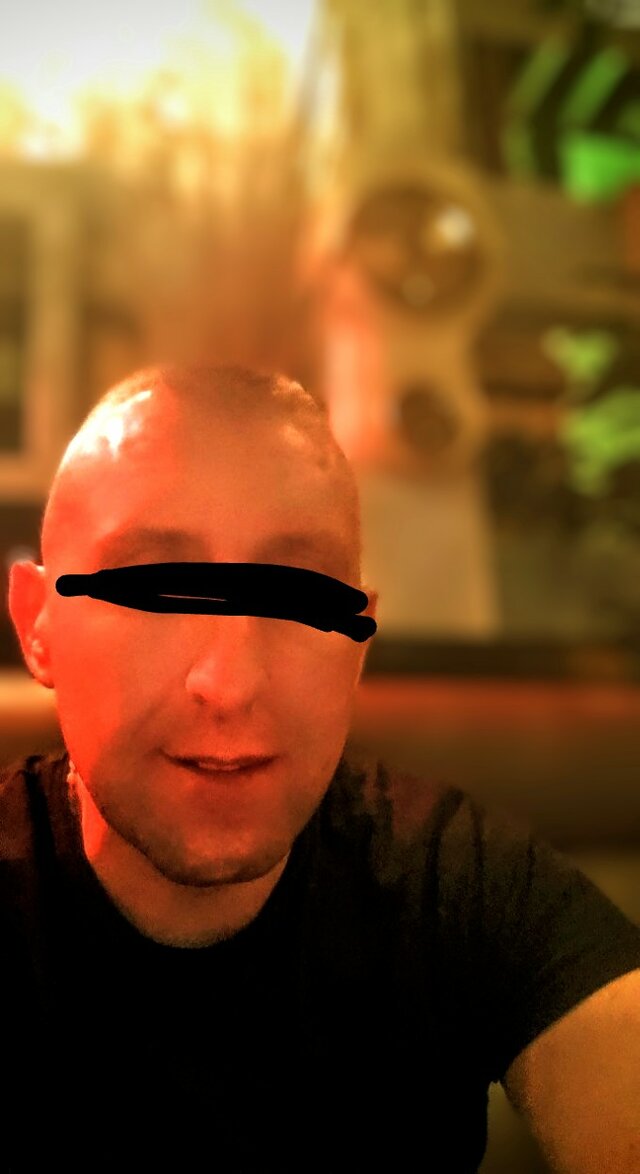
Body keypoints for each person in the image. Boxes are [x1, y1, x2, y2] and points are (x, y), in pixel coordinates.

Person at [3, 362, 640, 1173]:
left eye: (301, 598)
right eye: (153, 590)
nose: (229, 683)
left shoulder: (459, 881)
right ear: (38, 624)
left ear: (356, 641)